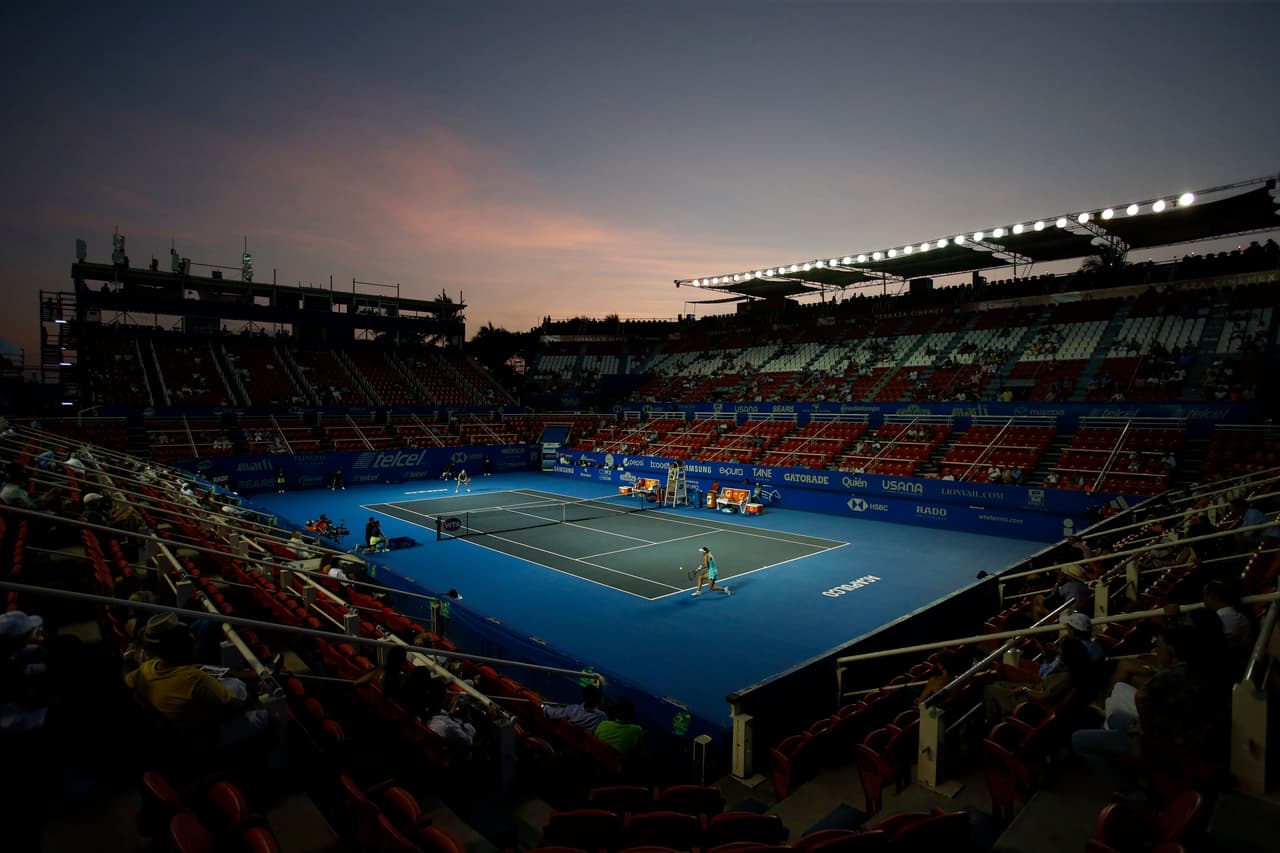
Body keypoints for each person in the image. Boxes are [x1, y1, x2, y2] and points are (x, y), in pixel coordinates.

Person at [124, 613, 269, 749]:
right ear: (181, 648)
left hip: (179, 730)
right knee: (269, 718)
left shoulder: (146, 668)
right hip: (203, 738)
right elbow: (234, 706)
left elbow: (127, 678)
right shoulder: (194, 678)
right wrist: (255, 694)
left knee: (233, 684)